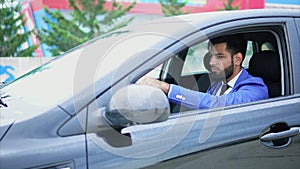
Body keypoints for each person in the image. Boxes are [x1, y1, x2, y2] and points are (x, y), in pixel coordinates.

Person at [138, 35, 268, 109]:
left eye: (219, 56)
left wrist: (167, 88)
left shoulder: (255, 88)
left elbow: (219, 104)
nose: (211, 62)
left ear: (237, 59)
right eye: (211, 55)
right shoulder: (219, 83)